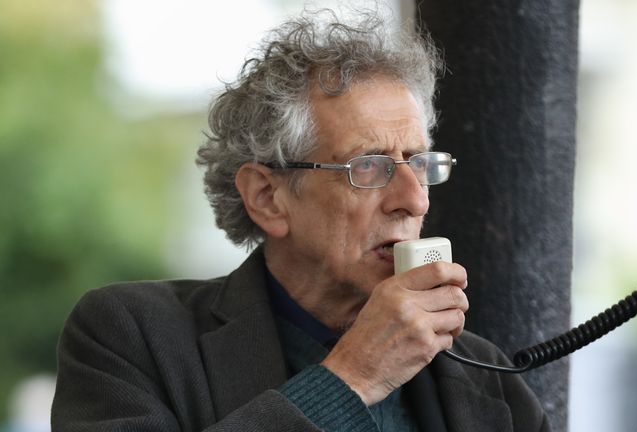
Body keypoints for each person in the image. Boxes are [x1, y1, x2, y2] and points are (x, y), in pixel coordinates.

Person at [51, 8, 549, 432]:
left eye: (419, 163)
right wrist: (352, 378)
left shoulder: (486, 377)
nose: (414, 200)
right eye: (370, 166)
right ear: (267, 197)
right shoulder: (132, 335)